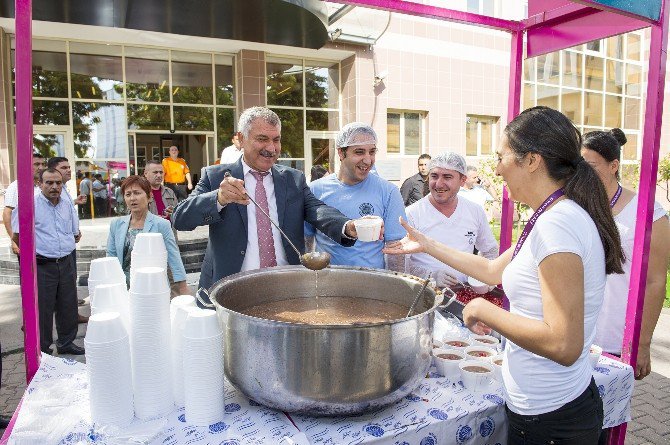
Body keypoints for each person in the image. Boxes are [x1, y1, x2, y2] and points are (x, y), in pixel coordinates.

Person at [385, 106, 625, 444]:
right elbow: (490, 269)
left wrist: (485, 311)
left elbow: (563, 343)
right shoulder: (548, 216)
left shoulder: (558, 225)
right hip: (543, 409)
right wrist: (426, 245)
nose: (497, 170)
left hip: (552, 418)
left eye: (502, 157)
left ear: (532, 160)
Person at [172, 106, 362, 293]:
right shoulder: (215, 177)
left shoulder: (293, 179)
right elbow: (180, 218)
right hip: (232, 290)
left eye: (276, 140)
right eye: (262, 139)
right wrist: (218, 198)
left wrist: (347, 226)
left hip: (287, 288)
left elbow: (317, 209)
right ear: (241, 139)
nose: (271, 148)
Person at [582, 128, 670, 380]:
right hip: (576, 334)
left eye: (592, 165)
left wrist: (642, 344)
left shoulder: (648, 212)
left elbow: (656, 282)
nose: (584, 174)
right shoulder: (578, 205)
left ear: (614, 166)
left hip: (617, 337)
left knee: (611, 415)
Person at [305, 123, 406, 270]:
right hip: (327, 284)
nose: (367, 160)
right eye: (359, 152)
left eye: (372, 152)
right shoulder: (316, 190)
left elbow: (395, 248)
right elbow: (306, 239)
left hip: (372, 284)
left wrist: (396, 287)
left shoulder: (389, 191)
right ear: (341, 153)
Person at [12, 169, 85, 355]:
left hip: (66, 261)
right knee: (43, 309)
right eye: (49, 183)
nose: (54, 187)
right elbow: (18, 235)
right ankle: (42, 348)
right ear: (40, 183)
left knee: (68, 305)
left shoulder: (67, 204)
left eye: (58, 183)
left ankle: (66, 343)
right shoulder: (30, 204)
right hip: (43, 264)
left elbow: (74, 231)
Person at [406, 152, 498, 288]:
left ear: (462, 180)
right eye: (434, 176)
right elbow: (399, 263)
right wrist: (429, 276)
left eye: (447, 177)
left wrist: (487, 278)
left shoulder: (474, 211)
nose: (439, 183)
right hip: (424, 295)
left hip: (464, 293)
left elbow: (490, 251)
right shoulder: (412, 214)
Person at [107, 175, 189, 295]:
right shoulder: (116, 224)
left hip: (154, 288)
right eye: (128, 194)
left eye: (137, 193)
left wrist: (182, 287)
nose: (132, 198)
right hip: (123, 289)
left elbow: (173, 257)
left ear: (149, 196)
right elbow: (111, 257)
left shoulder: (162, 224)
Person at [47, 157, 89, 316]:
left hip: (69, 242)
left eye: (69, 167)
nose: (68, 170)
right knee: (65, 284)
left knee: (69, 282)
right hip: (60, 247)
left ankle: (71, 313)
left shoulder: (64, 189)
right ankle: (69, 314)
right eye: (64, 167)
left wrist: (75, 202)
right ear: (54, 171)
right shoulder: (49, 193)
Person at [2, 150, 46, 255]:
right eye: (36, 164)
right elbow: (7, 213)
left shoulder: (45, 186)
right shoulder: (16, 186)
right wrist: (14, 240)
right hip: (25, 241)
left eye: (43, 164)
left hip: (45, 241)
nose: (40, 167)